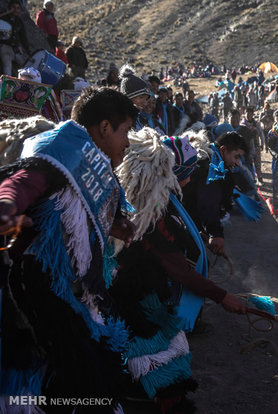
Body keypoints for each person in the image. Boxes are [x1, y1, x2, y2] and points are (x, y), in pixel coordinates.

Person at [0, 87, 138, 411]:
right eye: (125, 132)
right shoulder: (60, 150)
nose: (128, 143)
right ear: (105, 128)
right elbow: (22, 182)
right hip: (43, 285)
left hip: (72, 292)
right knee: (80, 379)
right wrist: (7, 206)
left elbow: (79, 213)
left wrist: (114, 225)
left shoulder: (92, 162)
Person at [113, 133, 246, 412]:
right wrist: (223, 297)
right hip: (138, 298)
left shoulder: (158, 199)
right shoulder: (150, 214)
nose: (190, 179)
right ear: (174, 174)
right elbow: (177, 270)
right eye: (187, 173)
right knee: (155, 355)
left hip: (145, 289)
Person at [182, 131, 248, 257]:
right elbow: (208, 203)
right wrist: (215, 233)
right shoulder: (211, 168)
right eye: (236, 156)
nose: (238, 162)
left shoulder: (207, 159)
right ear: (223, 150)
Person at [119, 65, 164, 134]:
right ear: (128, 98)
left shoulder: (137, 120)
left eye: (146, 99)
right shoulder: (120, 123)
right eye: (141, 97)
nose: (145, 103)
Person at [0, 0, 28, 77]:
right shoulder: (3, 18)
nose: (16, 10)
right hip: (5, 46)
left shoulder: (19, 21)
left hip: (16, 48)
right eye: (14, 8)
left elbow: (23, 36)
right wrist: (7, 12)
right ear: (9, 8)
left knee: (26, 65)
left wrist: (27, 49)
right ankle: (7, 85)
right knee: (7, 67)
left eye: (18, 8)